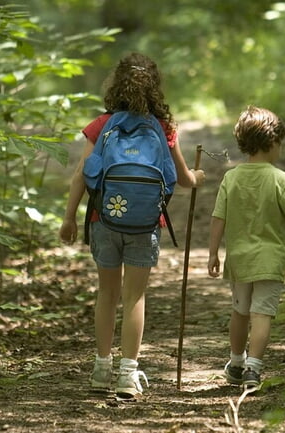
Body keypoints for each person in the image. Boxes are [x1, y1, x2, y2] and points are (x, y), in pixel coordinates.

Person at [59, 52, 205, 398]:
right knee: (135, 296)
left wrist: (69, 218)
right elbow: (184, 179)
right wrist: (197, 176)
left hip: (103, 219)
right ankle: (128, 374)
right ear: (155, 88)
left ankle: (100, 369)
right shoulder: (164, 127)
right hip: (144, 224)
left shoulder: (101, 124)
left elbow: (82, 172)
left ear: (116, 84)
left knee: (107, 294)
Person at [207, 105, 285, 392]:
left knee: (240, 311)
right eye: (280, 142)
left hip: (240, 260)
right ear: (272, 142)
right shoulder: (281, 179)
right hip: (270, 261)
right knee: (262, 314)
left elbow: (219, 217)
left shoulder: (231, 178)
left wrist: (213, 252)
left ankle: (236, 363)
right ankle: (253, 368)